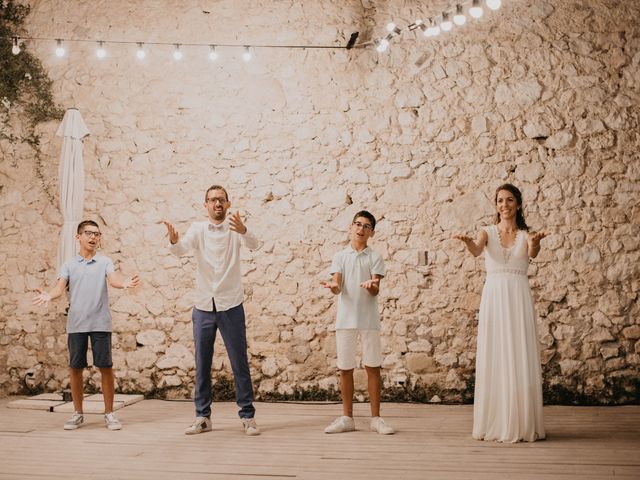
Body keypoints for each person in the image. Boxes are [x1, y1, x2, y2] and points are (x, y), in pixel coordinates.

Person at [161, 185, 261, 436]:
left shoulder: (236, 229)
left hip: (231, 304)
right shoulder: (197, 230)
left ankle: (247, 416)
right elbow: (181, 250)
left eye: (221, 200)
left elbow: (255, 244)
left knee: (239, 362)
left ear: (228, 204)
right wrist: (173, 240)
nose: (217, 204)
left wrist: (245, 230)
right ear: (205, 204)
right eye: (212, 200)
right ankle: (202, 417)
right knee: (202, 363)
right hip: (204, 305)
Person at [454, 183, 547, 443]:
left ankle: (520, 421)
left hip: (517, 295)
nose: (503, 205)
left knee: (519, 352)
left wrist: (536, 243)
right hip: (494, 294)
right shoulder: (487, 232)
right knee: (495, 352)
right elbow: (476, 250)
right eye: (499, 201)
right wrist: (468, 243)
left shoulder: (526, 233)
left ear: (517, 203)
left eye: (508, 200)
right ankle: (495, 419)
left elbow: (533, 252)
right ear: (496, 206)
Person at [33, 220, 140, 431]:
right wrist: (48, 295)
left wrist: (124, 283)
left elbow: (114, 279)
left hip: (100, 323)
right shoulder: (69, 265)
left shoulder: (105, 262)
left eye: (97, 234)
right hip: (76, 324)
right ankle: (77, 413)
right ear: (78, 237)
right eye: (89, 233)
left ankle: (109, 414)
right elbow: (59, 288)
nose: (93, 237)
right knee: (75, 368)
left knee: (106, 368)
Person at [321, 210, 394, 435]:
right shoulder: (340, 256)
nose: (361, 229)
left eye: (366, 226)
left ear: (371, 232)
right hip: (345, 320)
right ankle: (347, 418)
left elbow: (375, 290)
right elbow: (337, 286)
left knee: (373, 367)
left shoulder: (375, 257)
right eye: (358, 224)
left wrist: (371, 285)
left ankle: (376, 418)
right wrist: (333, 287)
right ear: (351, 227)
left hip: (368, 320)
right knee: (345, 368)